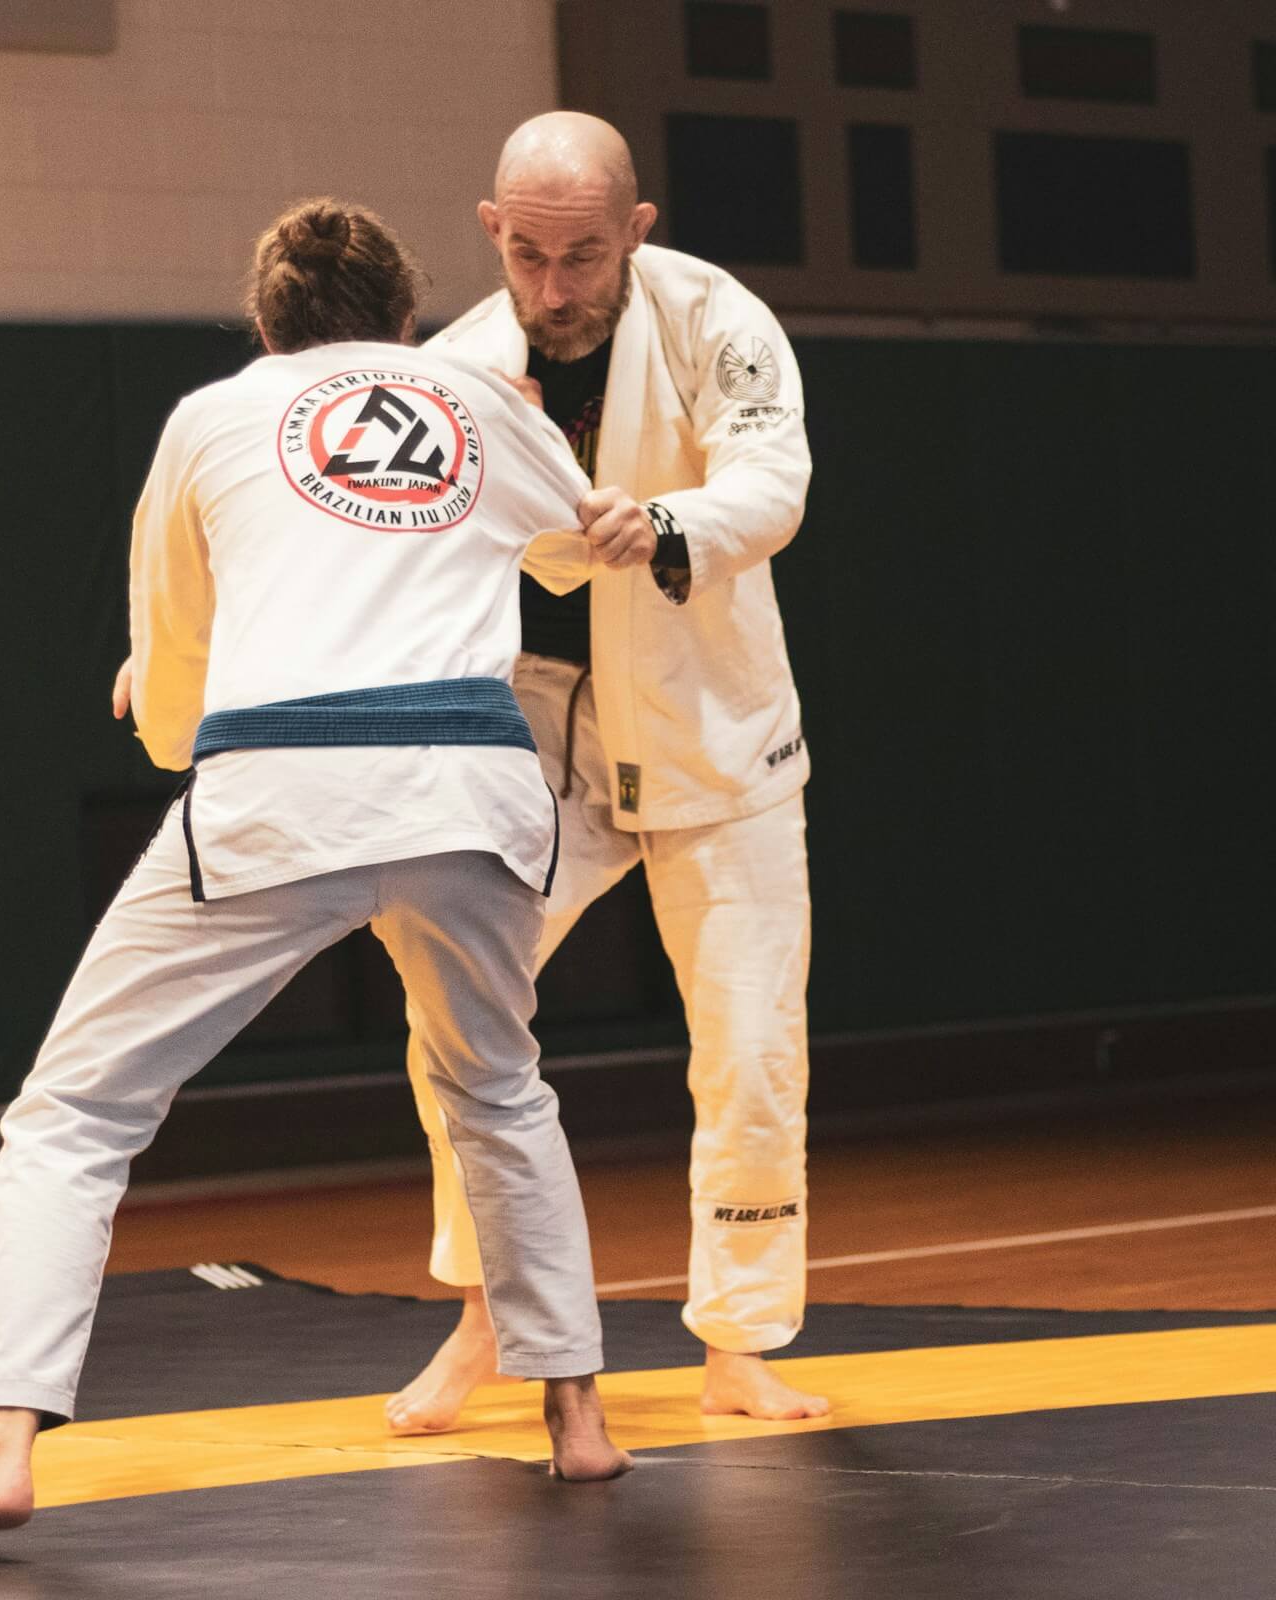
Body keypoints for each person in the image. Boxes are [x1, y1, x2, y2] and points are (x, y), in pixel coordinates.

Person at [0, 198, 634, 1554]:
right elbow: (594, 546)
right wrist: (541, 476)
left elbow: (172, 644)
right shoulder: (479, 401)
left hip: (285, 782)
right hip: (472, 783)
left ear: (264, 323)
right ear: (403, 315)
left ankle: (3, 1445)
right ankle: (577, 1417)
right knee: (497, 1089)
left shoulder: (212, 417)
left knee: (76, 1111)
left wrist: (167, 715)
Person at [384, 112, 827, 1433]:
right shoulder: (457, 369)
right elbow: (408, 549)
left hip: (715, 734)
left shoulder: (715, 320)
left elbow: (776, 481)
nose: (555, 285)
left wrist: (669, 518)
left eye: (584, 254)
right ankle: (485, 1314)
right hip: (539, 741)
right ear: (491, 229)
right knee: (455, 1020)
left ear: (636, 229)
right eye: (527, 254)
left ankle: (741, 1342)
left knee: (751, 1048)